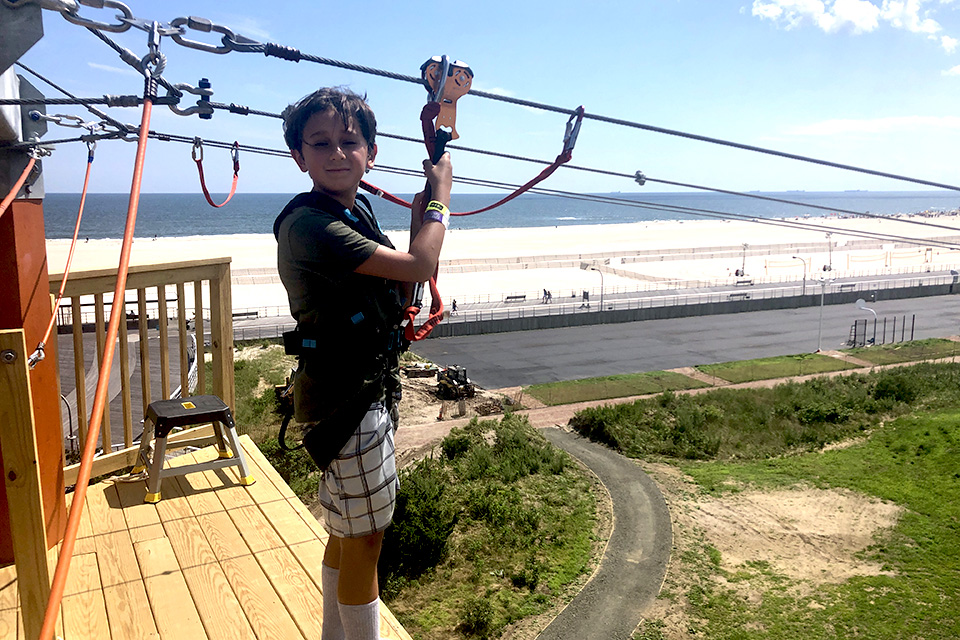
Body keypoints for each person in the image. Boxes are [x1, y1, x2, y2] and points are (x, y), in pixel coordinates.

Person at [274, 87, 452, 640]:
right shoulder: (311, 225)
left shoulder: (354, 210)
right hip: (346, 396)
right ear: (299, 157)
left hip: (356, 387)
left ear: (370, 155)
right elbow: (419, 265)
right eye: (320, 143)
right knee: (367, 538)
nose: (336, 153)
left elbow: (402, 274)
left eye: (349, 142)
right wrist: (441, 201)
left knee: (348, 531)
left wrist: (422, 214)